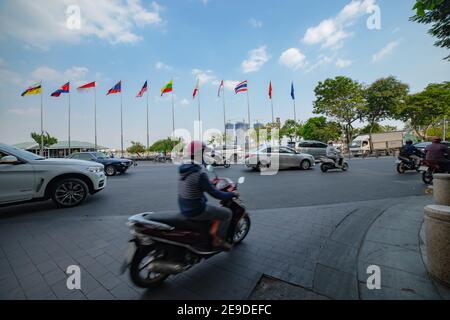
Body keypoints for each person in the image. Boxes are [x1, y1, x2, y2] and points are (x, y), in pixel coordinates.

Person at [178, 141, 236, 250]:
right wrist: (231, 194)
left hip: (183, 206)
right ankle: (218, 240)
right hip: (195, 209)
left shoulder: (185, 167)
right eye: (203, 152)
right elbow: (216, 194)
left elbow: (194, 183)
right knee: (227, 214)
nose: (205, 154)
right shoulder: (199, 172)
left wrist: (208, 183)